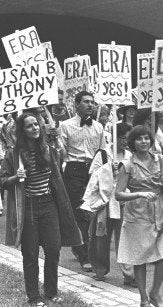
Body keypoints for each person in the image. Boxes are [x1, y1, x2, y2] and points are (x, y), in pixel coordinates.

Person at [0, 112, 81, 307]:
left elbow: (60, 168)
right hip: (28, 207)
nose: (35, 128)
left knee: (53, 249)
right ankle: (34, 296)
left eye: (36, 124)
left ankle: (51, 292)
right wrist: (15, 178)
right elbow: (1, 180)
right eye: (29, 126)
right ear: (22, 131)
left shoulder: (49, 150)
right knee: (31, 253)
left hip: (49, 204)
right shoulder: (13, 154)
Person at [116, 125, 163, 307]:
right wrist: (139, 194)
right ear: (132, 143)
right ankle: (143, 301)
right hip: (138, 215)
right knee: (139, 258)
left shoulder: (161, 160)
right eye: (139, 139)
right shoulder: (127, 165)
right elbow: (118, 194)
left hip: (161, 212)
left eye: (146, 138)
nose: (144, 142)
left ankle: (155, 293)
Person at [58, 91, 107, 272]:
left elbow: (102, 151)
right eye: (86, 102)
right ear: (76, 104)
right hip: (74, 169)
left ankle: (81, 246)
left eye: (92, 102)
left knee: (93, 210)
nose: (90, 105)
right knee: (80, 211)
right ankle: (83, 254)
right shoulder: (66, 125)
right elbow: (61, 151)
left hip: (94, 170)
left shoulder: (98, 127)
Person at [83, 123, 132, 283]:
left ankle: (129, 274)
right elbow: (92, 174)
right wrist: (108, 168)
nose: (125, 141)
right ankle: (100, 269)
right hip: (105, 201)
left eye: (127, 138)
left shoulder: (129, 155)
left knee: (125, 237)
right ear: (115, 137)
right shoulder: (103, 154)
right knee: (101, 236)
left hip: (123, 200)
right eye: (122, 138)